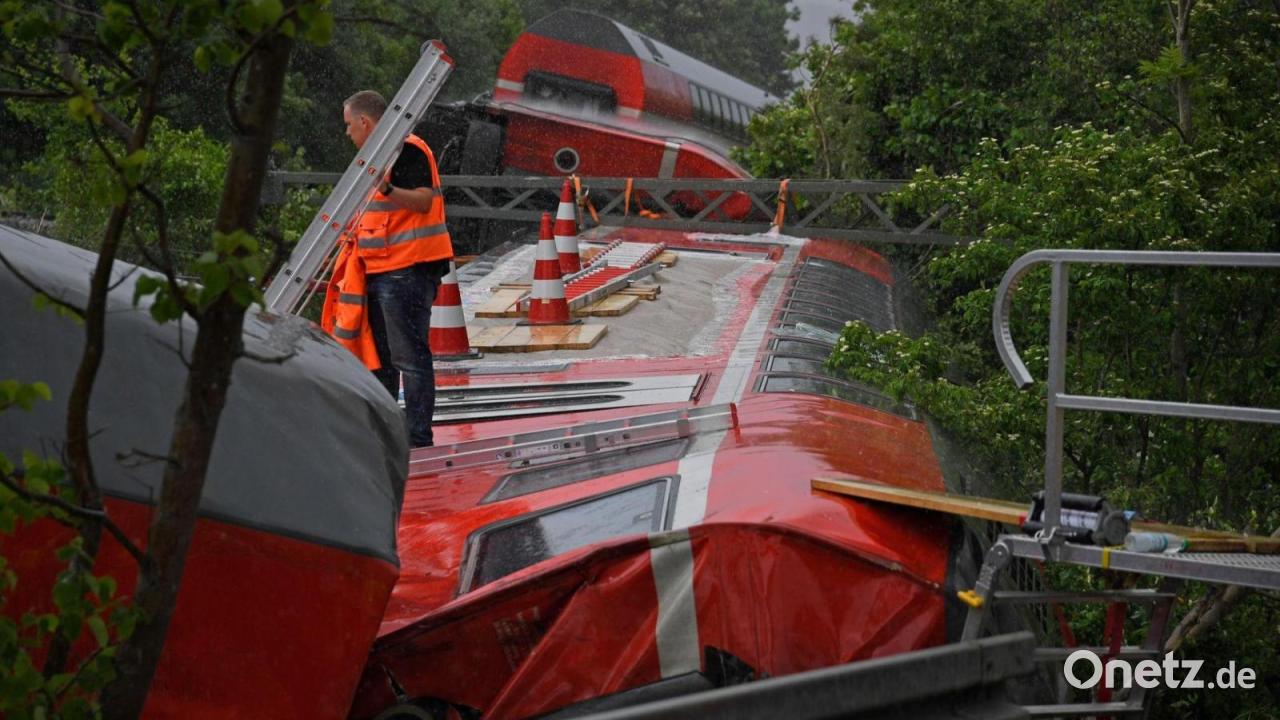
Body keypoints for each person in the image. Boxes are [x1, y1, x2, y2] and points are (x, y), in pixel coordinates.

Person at [328, 90, 452, 447]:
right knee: (383, 359)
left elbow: (423, 201)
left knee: (409, 357)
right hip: (383, 269)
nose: (347, 133)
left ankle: (416, 436)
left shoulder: (406, 149)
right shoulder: (376, 158)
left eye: (349, 125)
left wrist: (387, 187)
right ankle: (391, 433)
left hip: (407, 269)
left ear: (364, 122)